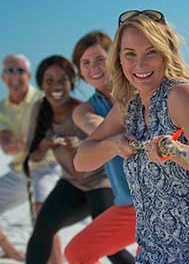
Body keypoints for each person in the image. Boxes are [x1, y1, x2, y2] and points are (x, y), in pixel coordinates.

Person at [73, 10, 189, 264]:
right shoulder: (127, 106)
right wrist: (113, 145)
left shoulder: (180, 95)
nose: (140, 65)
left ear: (165, 52)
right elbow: (82, 160)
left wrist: (176, 151)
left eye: (151, 52)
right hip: (156, 256)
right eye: (130, 54)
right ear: (119, 59)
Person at [24, 55, 128, 264]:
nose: (56, 86)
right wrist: (45, 145)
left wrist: (80, 146)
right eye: (49, 80)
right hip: (71, 184)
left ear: (72, 82)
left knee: (112, 250)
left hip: (100, 182)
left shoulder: (82, 110)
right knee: (42, 230)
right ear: (40, 84)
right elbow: (32, 156)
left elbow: (101, 143)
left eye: (62, 80)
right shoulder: (39, 110)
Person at [64, 31, 136, 264]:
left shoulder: (139, 90)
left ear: (115, 59)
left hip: (160, 200)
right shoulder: (83, 110)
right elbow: (95, 126)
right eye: (85, 63)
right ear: (80, 72)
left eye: (99, 59)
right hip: (127, 205)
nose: (93, 67)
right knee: (77, 252)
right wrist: (111, 141)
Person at [0, 54, 61, 262]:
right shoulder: (2, 109)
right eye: (9, 70)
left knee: (43, 211)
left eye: (19, 70)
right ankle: (10, 251)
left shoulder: (43, 100)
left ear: (28, 75)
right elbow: (6, 144)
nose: (15, 75)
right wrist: (18, 143)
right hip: (19, 171)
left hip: (46, 167)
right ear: (3, 77)